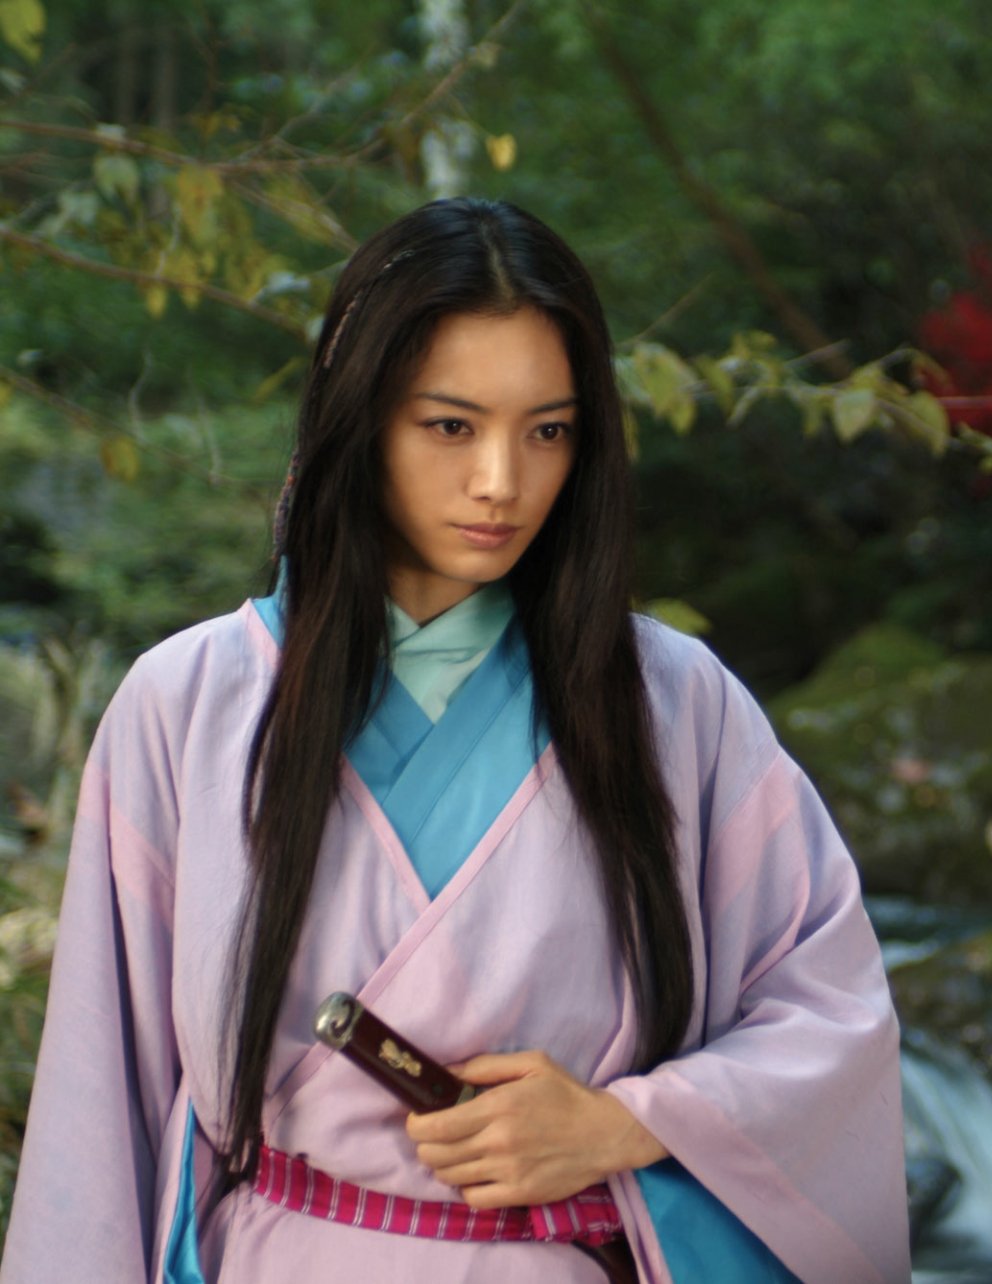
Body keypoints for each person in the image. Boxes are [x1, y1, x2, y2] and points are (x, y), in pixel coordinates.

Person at [0, 198, 911, 1284]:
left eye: (548, 430)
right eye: (450, 425)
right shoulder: (189, 704)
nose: (501, 481)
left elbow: (832, 1016)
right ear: (359, 422)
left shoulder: (675, 704)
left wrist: (629, 1123)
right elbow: (99, 1111)